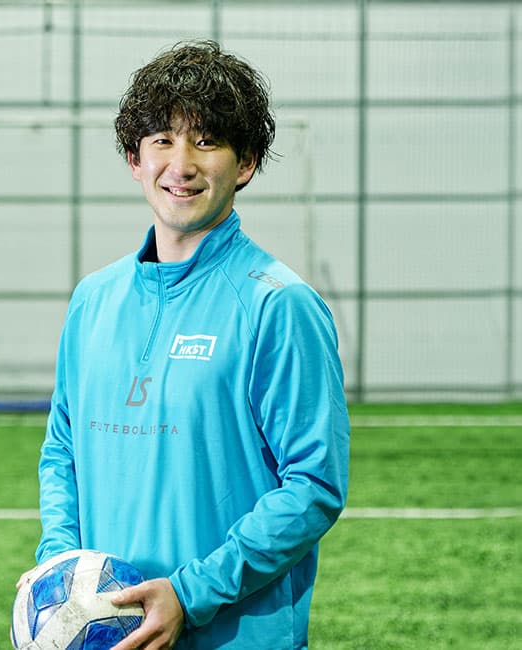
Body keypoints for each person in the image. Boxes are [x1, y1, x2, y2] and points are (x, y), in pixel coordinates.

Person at [20, 40, 350, 650]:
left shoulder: (279, 305)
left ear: (245, 163)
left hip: (234, 636)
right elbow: (62, 448)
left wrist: (189, 593)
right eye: (163, 140)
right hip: (109, 635)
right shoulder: (93, 299)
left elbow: (313, 486)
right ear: (134, 158)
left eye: (206, 141)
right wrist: (64, 568)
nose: (182, 164)